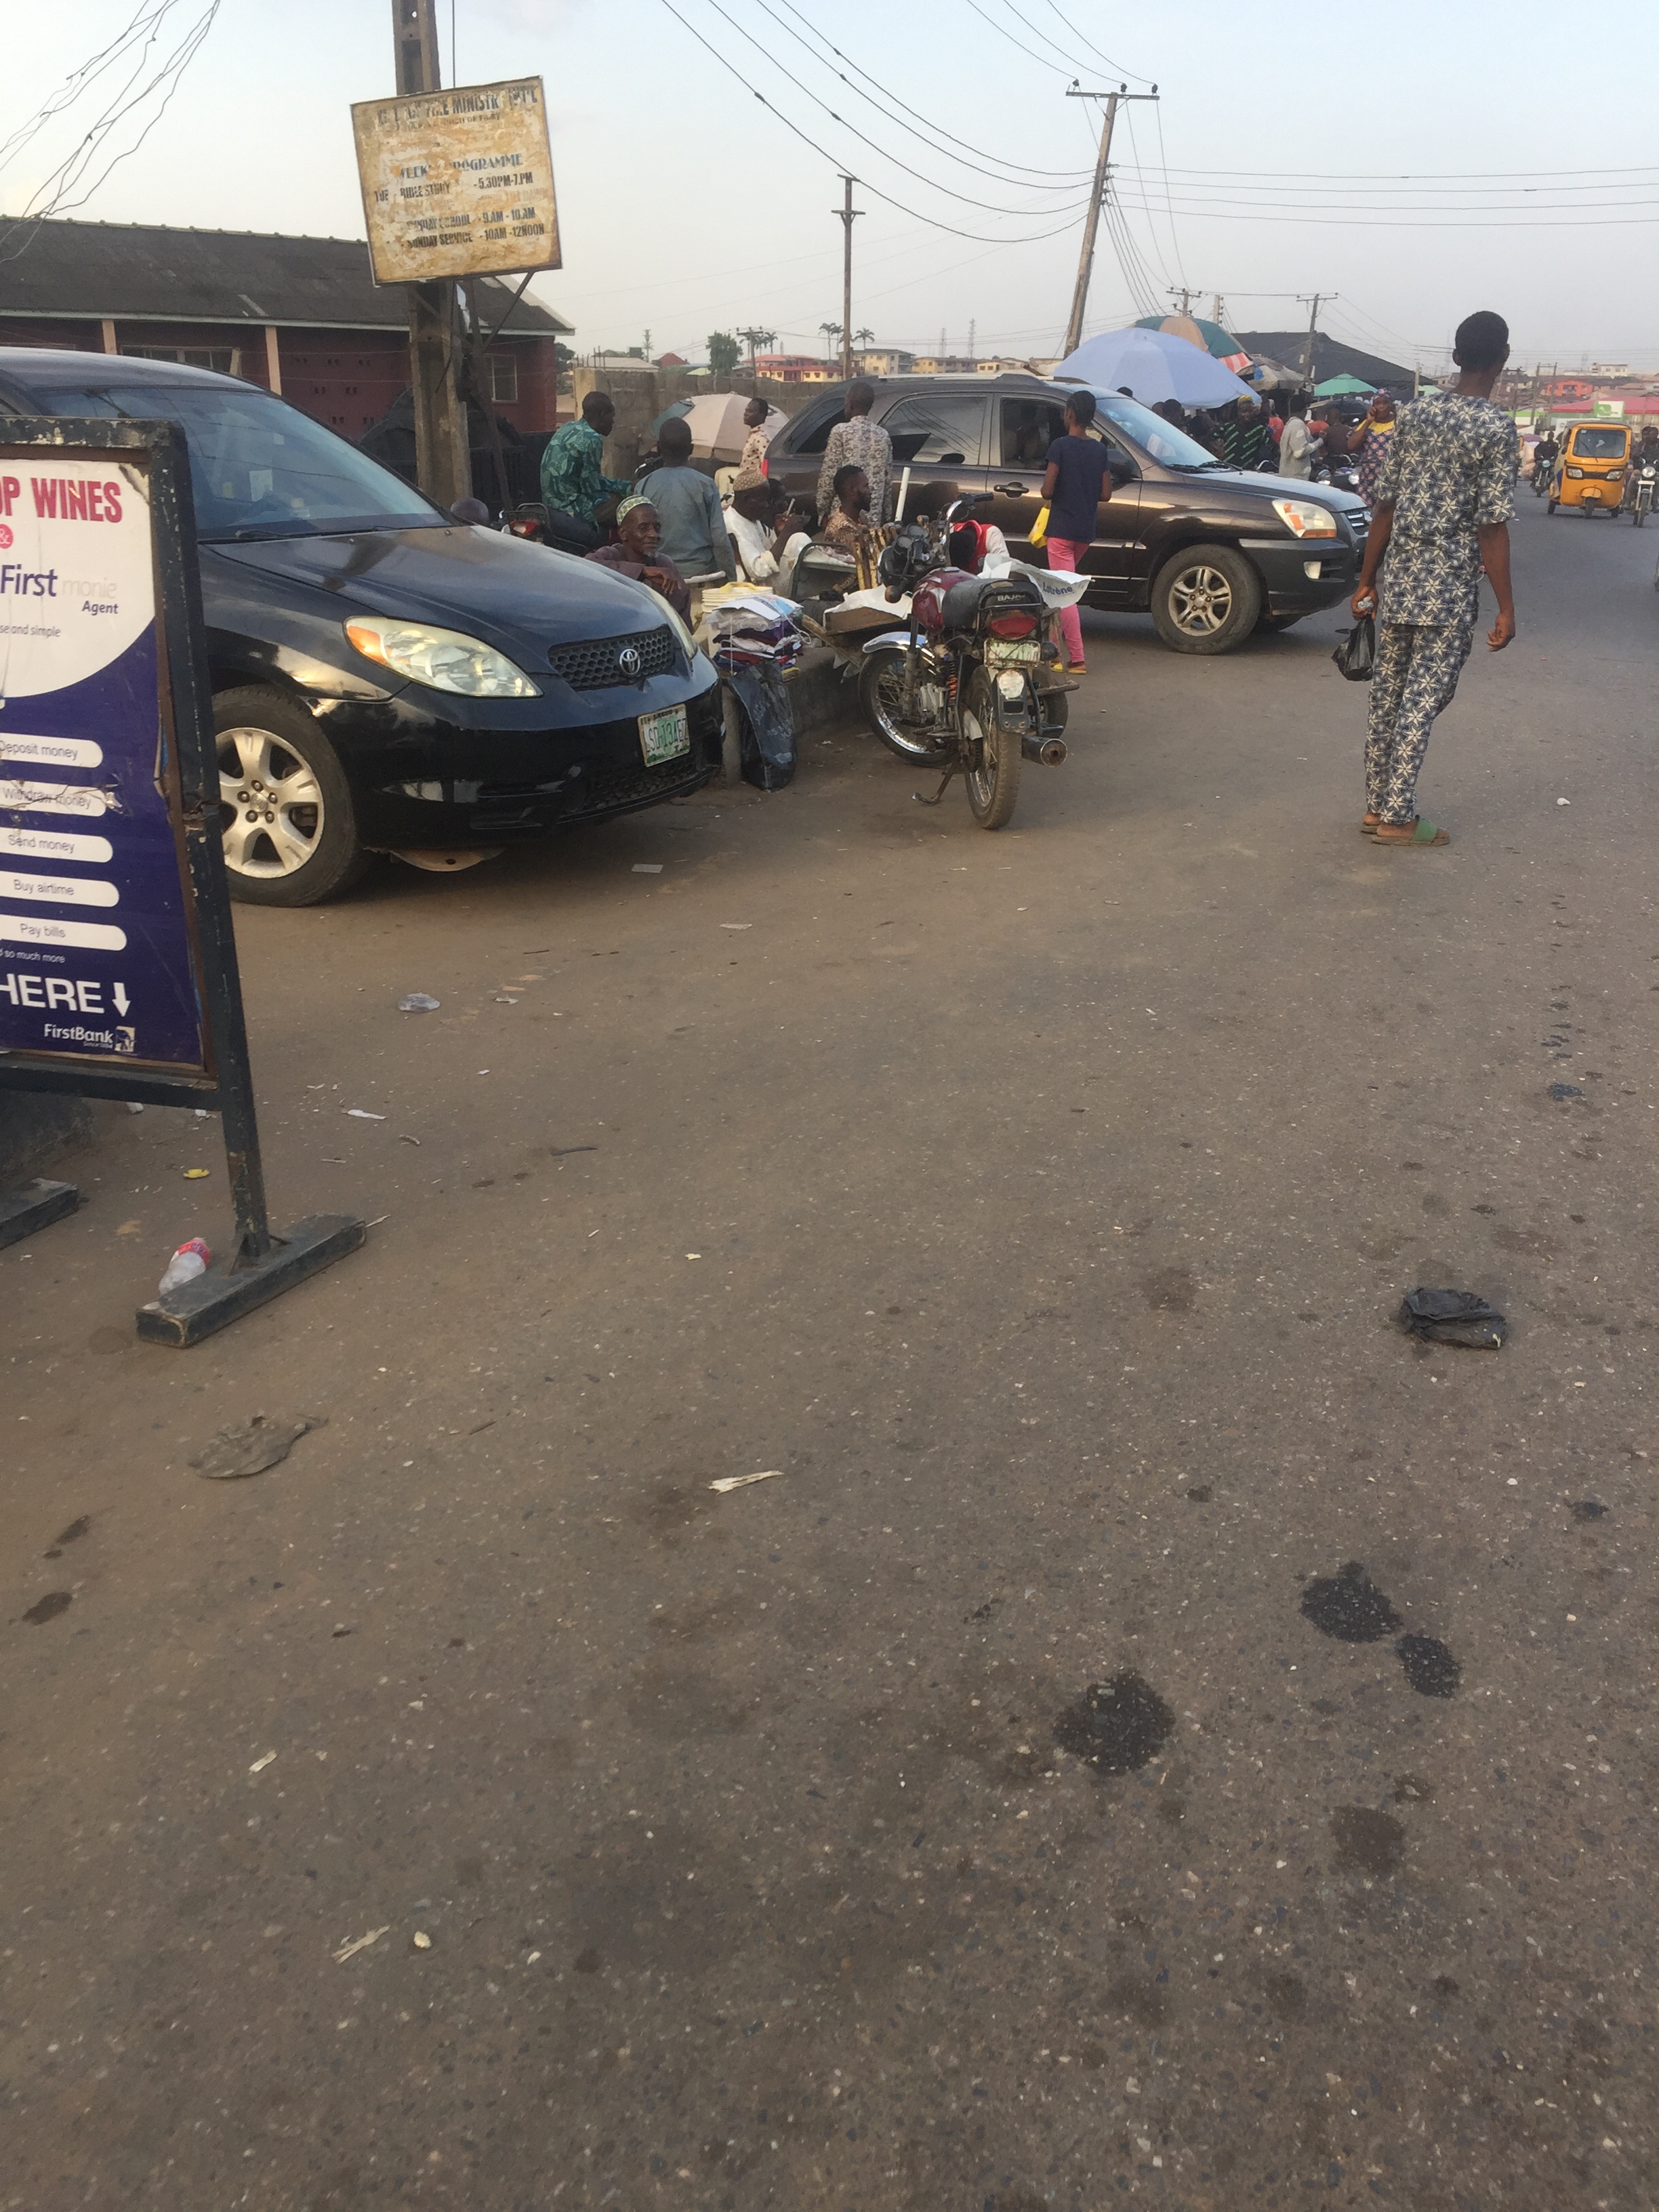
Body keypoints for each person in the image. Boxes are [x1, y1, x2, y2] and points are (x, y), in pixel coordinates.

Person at [1349, 309, 1518, 848]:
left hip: (1400, 581)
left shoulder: (1415, 414)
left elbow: (1384, 506)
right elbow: (1491, 527)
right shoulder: (1495, 427)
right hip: (1448, 592)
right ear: (1503, 358)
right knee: (1423, 701)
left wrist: (1367, 579)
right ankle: (1399, 817)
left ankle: (1377, 807)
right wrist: (1506, 607)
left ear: (1456, 357)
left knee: (1388, 696)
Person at [1039, 388, 1113, 674]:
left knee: (1065, 594)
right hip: (1084, 531)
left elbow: (1047, 490)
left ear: (1070, 414)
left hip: (1060, 530)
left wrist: (1060, 489)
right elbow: (1105, 494)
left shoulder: (1059, 446)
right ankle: (1053, 653)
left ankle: (1077, 658)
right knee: (1061, 590)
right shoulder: (1100, 450)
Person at [640, 416, 736, 582]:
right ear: (691, 449)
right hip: (702, 575)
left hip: (660, 577)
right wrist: (731, 578)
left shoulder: (644, 485)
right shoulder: (706, 485)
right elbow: (720, 539)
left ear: (658, 448)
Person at [585, 494, 691, 619]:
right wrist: (642, 571)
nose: (654, 535)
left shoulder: (663, 563)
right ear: (623, 533)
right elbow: (587, 566)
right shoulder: (611, 554)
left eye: (657, 528)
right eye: (643, 528)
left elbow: (681, 612)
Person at [540, 391, 632, 534]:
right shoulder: (592, 438)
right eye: (612, 416)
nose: (613, 422)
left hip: (551, 503)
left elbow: (588, 479)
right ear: (602, 415)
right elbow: (592, 487)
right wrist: (626, 487)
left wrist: (621, 485)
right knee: (628, 507)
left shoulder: (568, 427)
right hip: (572, 507)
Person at [816, 380, 893, 527]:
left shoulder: (840, 432)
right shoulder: (883, 435)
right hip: (872, 517)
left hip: (845, 515)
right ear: (870, 406)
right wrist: (886, 515)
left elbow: (829, 476)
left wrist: (822, 510)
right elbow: (887, 480)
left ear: (850, 403)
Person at [726, 474, 803, 585]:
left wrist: (779, 532)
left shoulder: (752, 518)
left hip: (766, 581)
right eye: (762, 500)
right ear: (747, 499)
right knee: (799, 539)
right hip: (751, 587)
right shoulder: (734, 526)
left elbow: (769, 552)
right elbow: (758, 571)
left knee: (798, 540)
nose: (767, 505)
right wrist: (785, 535)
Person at [1350, 392, 1397, 505]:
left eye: (1385, 403)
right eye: (1378, 403)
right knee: (1365, 507)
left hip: (1390, 477)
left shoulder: (1398, 423)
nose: (1381, 406)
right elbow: (1351, 445)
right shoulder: (1368, 424)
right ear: (1373, 406)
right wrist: (1368, 422)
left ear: (1391, 405)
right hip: (1368, 478)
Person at [1218, 396, 1271, 471]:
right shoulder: (1228, 427)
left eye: (1250, 411)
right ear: (1238, 412)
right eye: (1244, 411)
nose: (1247, 414)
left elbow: (1273, 447)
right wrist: (1219, 448)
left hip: (1248, 472)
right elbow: (1209, 439)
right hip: (1226, 470)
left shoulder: (1259, 430)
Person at [1278, 394, 1317, 480]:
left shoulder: (1290, 424)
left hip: (1289, 475)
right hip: (1297, 477)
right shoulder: (1298, 424)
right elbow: (1300, 452)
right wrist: (1320, 441)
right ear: (1304, 410)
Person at [738, 396, 773, 478]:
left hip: (754, 483)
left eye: (750, 411)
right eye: (746, 410)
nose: (745, 414)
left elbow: (766, 465)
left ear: (761, 415)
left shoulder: (761, 438)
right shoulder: (754, 435)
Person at [1532, 425, 1559, 491]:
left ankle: (1550, 484)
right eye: (1550, 435)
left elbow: (1557, 452)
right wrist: (1539, 456)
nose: (1550, 437)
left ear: (1553, 436)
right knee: (1535, 470)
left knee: (1554, 473)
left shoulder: (1555, 445)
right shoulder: (1543, 444)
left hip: (1551, 461)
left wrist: (1555, 458)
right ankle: (1534, 482)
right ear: (1548, 436)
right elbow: (1537, 450)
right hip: (1542, 460)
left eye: (1552, 436)